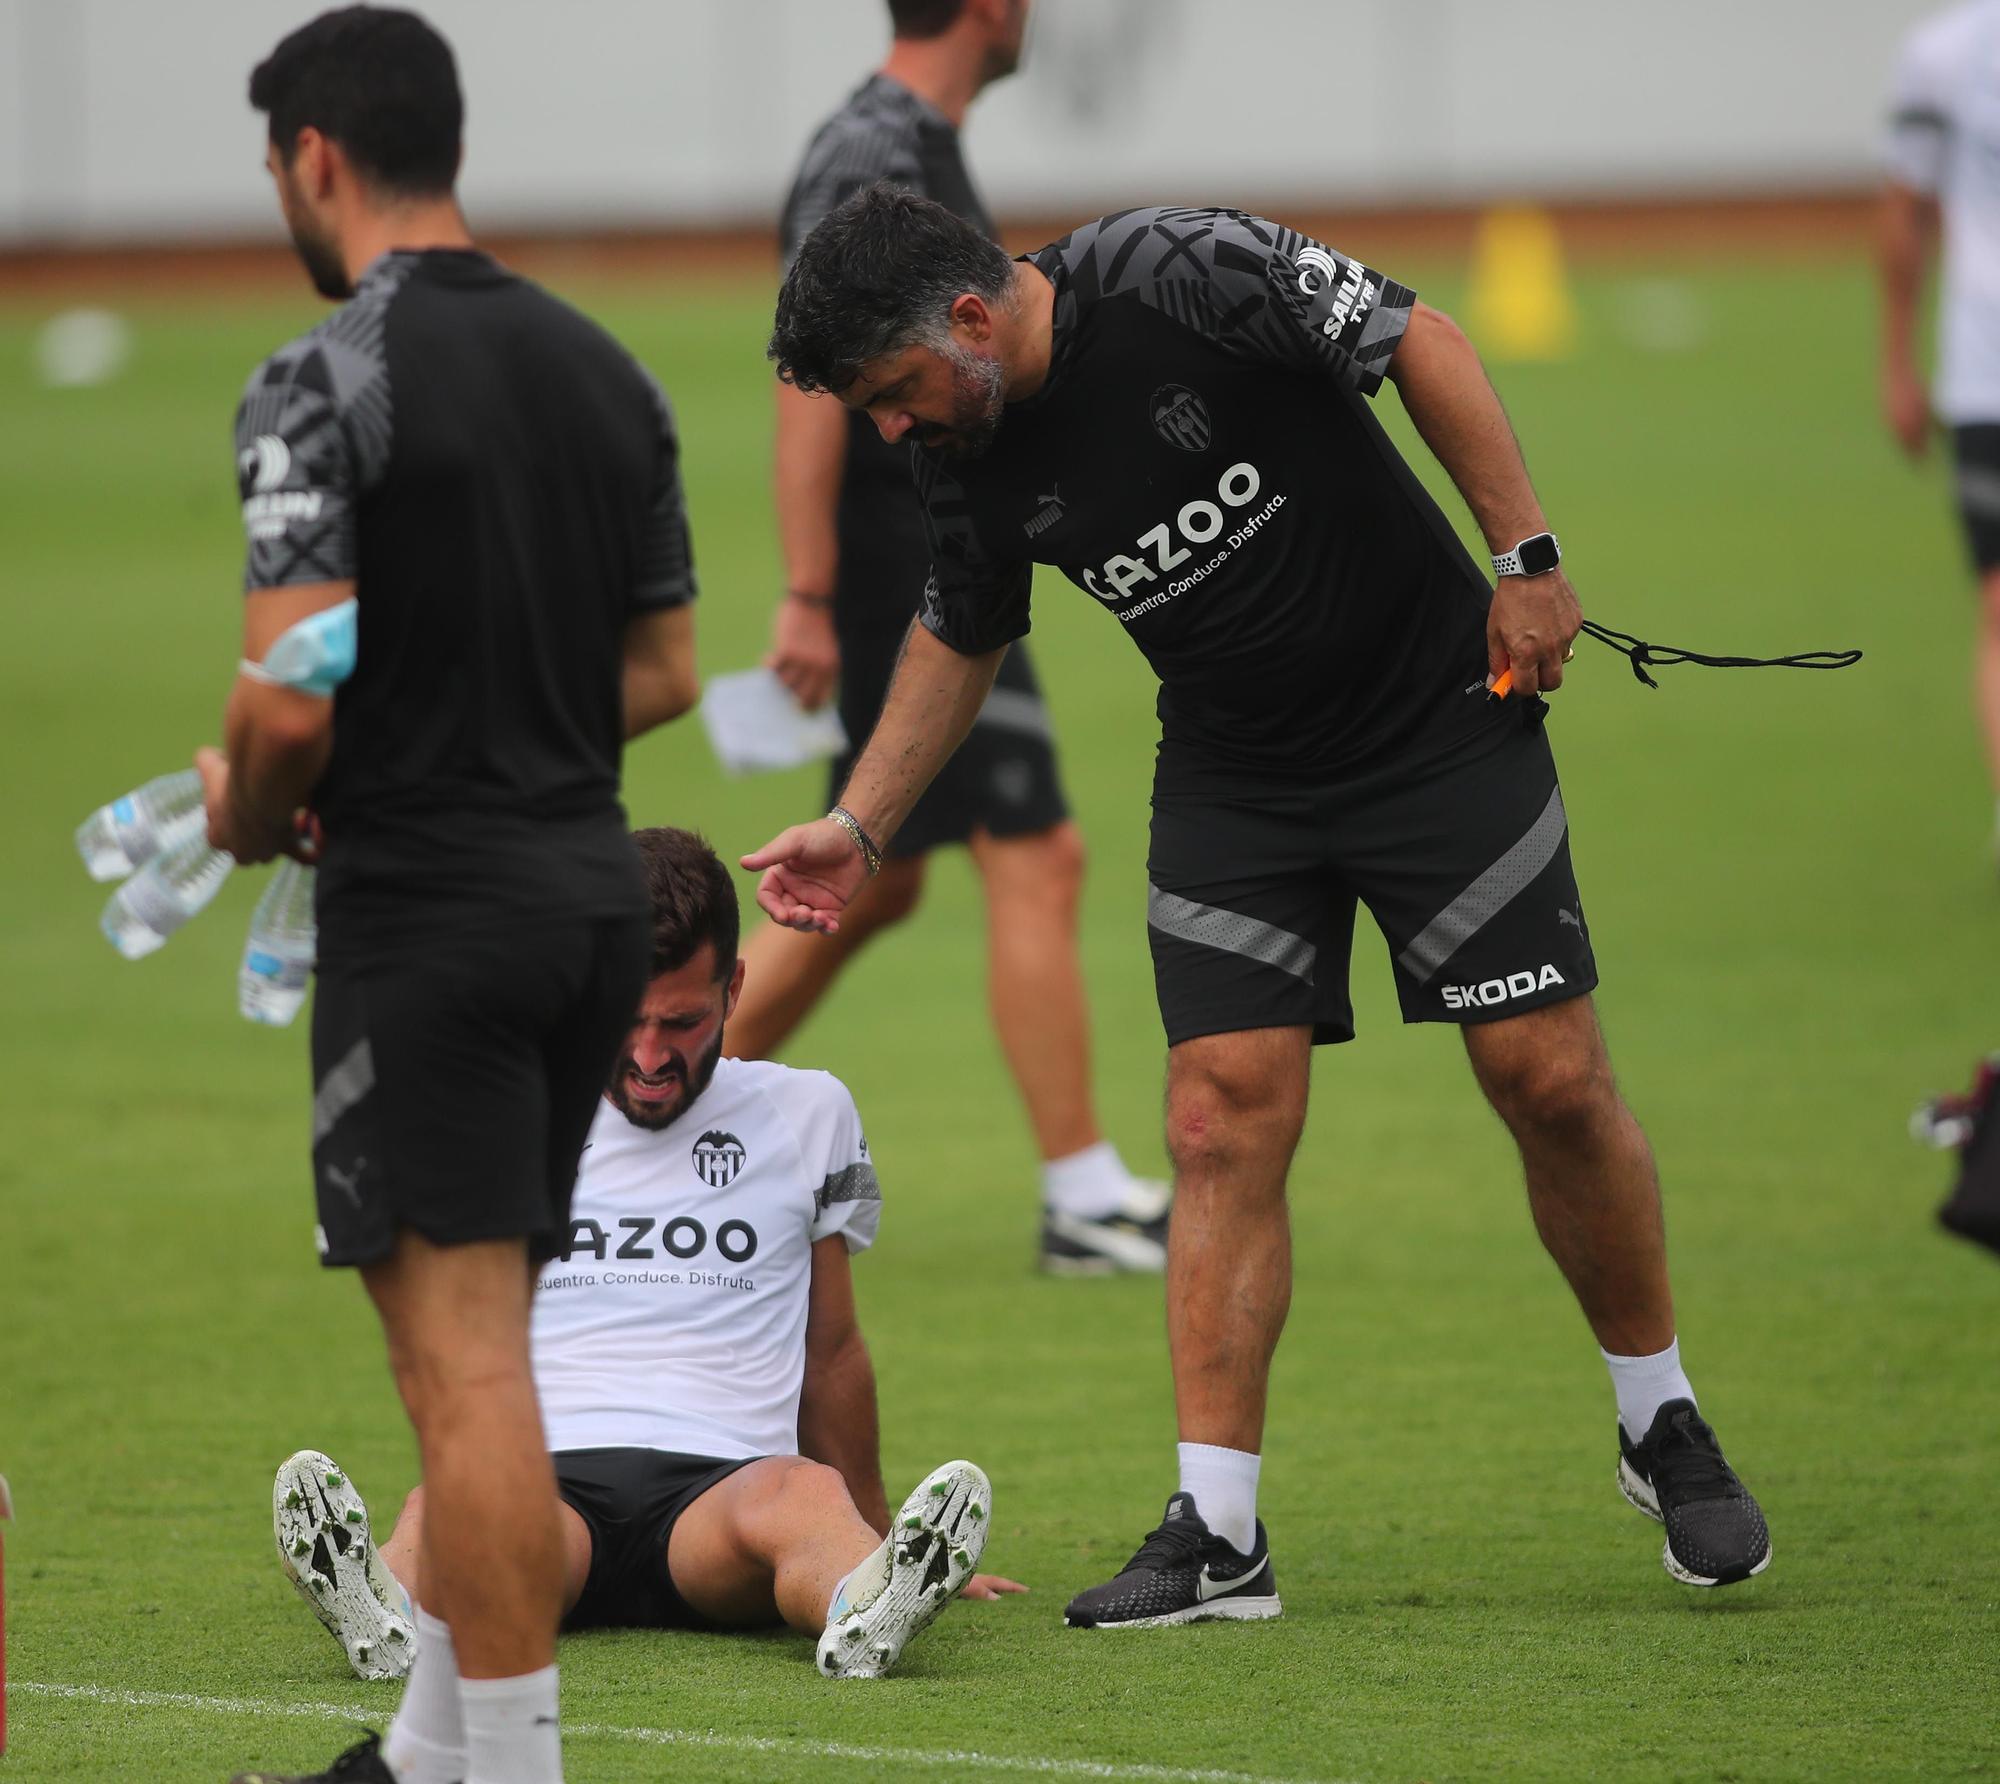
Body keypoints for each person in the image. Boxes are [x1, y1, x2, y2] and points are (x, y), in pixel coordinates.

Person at [747, 188, 1774, 1631]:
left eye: (894, 393)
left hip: (1437, 725)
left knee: (1546, 1078)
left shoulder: (1182, 268)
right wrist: (861, 827)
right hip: (1237, 780)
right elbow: (962, 627)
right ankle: (1219, 1534)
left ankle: (1660, 1422)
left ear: (971, 320)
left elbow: (1425, 340)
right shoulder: (962, 449)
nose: (891, 430)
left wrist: (1526, 562)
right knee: (1217, 1113)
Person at [208, 12, 698, 1783]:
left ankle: (512, 1761)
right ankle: (427, 1751)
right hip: (580, 897)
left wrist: (254, 799)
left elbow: (286, 700)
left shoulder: (319, 379)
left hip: (432, 911)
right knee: (471, 1345)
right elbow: (663, 668)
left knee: (467, 1368)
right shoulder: (606, 368)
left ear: (317, 156)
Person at [265, 829, 1018, 1706]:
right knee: (451, 1511)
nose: (651, 1057)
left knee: (808, 1499)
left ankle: (869, 1593)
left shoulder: (809, 1110)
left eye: (683, 1022)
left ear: (733, 988)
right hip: (542, 1479)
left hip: (729, 1489)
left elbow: (835, 1346)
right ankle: (386, 1609)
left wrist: (875, 1528)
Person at [747, 0, 1170, 1276]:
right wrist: (812, 590)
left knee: (875, 881)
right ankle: (1083, 1192)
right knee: (1032, 853)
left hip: (934, 553)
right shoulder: (870, 152)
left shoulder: (900, 135)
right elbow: (811, 383)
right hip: (912, 567)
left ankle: (630, 1106)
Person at [1881, 0, 2000, 856]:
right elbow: (1905, 209)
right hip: (1986, 373)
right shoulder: (1943, 55)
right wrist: (1897, 359)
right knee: (1999, 603)